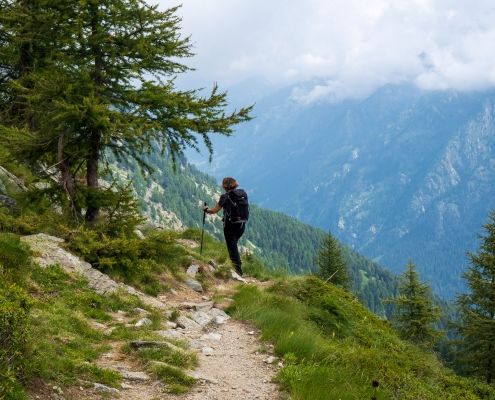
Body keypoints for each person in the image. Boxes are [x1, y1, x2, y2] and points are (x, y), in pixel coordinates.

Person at [203, 177, 247, 276]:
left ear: (224, 186)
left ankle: (238, 271)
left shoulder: (225, 197)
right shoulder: (242, 194)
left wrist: (206, 209)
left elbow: (214, 211)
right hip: (241, 225)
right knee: (234, 246)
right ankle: (237, 265)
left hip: (230, 226)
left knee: (232, 248)